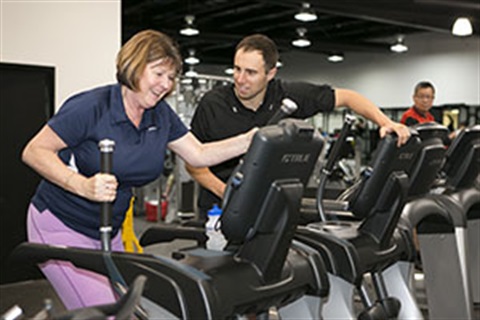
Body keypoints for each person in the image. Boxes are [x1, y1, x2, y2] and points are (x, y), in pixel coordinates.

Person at [21, 29, 257, 310]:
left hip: (110, 228)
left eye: (171, 78)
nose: (165, 85)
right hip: (61, 224)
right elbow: (34, 151)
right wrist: (80, 184)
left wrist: (249, 141)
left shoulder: (160, 114)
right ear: (133, 66)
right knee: (108, 313)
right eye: (158, 74)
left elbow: (199, 153)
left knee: (133, 309)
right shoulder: (92, 106)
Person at [186, 34, 411, 221]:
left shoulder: (286, 94)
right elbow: (194, 164)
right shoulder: (212, 104)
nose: (241, 79)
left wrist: (386, 122)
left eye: (251, 73)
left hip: (269, 206)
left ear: (271, 73)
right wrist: (227, 193)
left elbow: (349, 97)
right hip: (218, 209)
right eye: (237, 69)